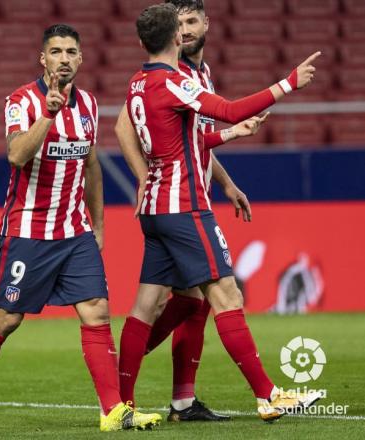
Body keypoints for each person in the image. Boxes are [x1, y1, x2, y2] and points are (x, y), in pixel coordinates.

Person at [0, 24, 162, 432]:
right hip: (28, 232)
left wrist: (98, 223)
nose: (63, 58)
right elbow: (15, 155)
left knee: (96, 312)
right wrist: (49, 113)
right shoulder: (21, 101)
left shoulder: (91, 105)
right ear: (42, 58)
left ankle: (112, 411)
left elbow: (91, 165)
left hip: (74, 231)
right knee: (6, 318)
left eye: (70, 51)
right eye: (56, 51)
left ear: (80, 59)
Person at [114, 4, 323, 422]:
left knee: (148, 305)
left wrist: (228, 141)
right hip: (184, 206)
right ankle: (269, 395)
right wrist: (288, 83)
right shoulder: (174, 82)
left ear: (140, 43)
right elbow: (227, 108)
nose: (187, 32)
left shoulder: (138, 82)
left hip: (157, 208)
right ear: (175, 37)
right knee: (227, 295)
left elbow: (182, 138)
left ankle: (122, 404)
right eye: (182, 26)